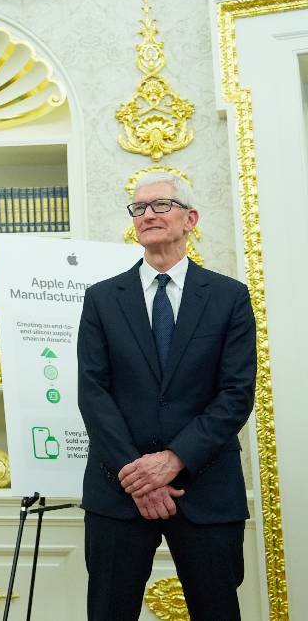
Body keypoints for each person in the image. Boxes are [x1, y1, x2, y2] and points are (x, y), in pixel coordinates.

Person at [77, 172, 256, 620]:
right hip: (118, 489)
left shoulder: (229, 297)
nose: (148, 215)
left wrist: (174, 459)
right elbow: (93, 392)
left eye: (161, 205)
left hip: (206, 486)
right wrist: (136, 475)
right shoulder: (101, 299)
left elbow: (236, 394)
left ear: (190, 219)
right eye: (139, 208)